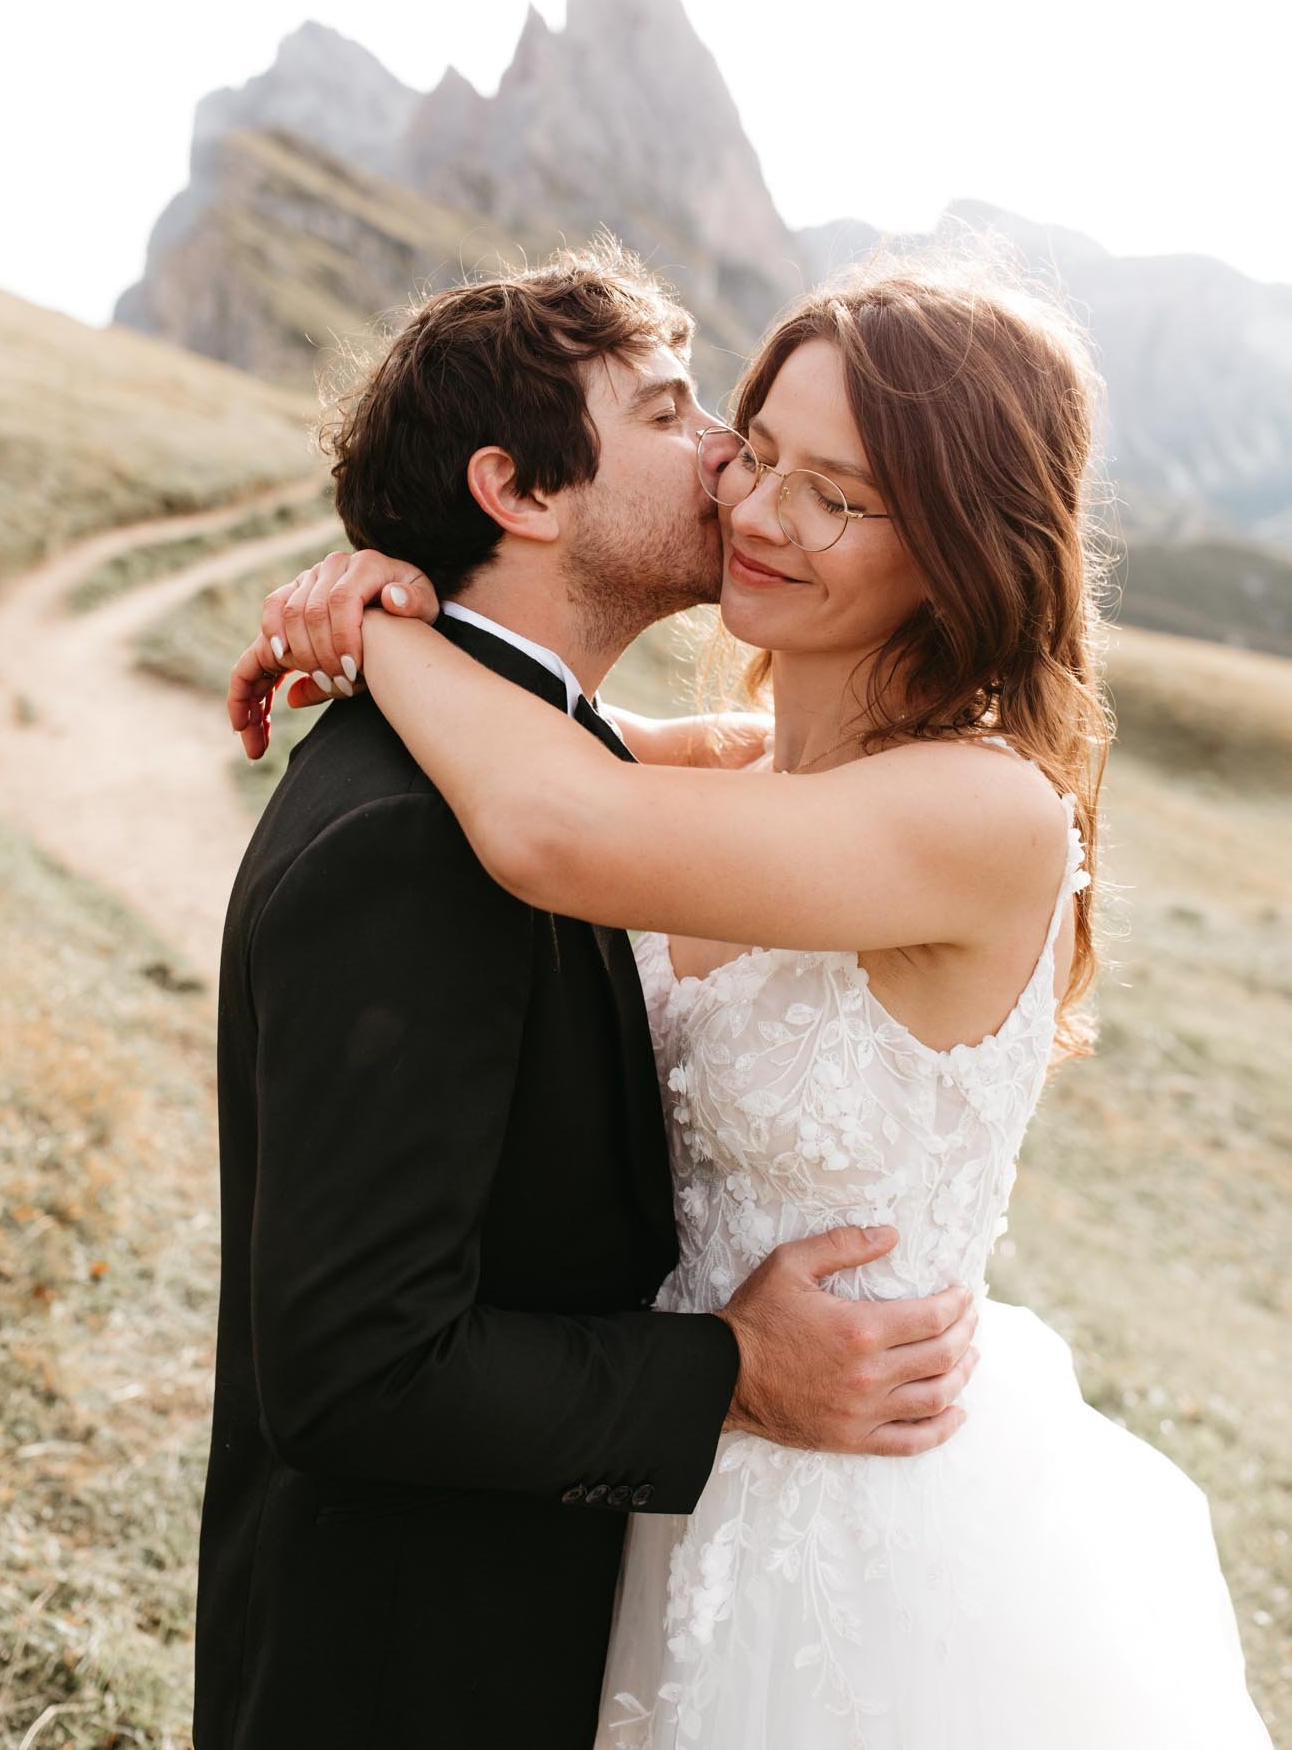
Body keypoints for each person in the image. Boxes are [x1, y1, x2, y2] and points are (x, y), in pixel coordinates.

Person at [238, 257, 1273, 1746]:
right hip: (660, 1478)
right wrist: (385, 591)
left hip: (852, 1521)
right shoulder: (734, 764)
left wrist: (381, 627)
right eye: (758, 450)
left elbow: (551, 819)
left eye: (835, 497)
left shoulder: (983, 815)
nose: (759, 512)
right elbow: (551, 727)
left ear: (966, 544)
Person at [199, 243, 981, 1750]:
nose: (728, 461)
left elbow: (668, 775)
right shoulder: (411, 844)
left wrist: (381, 622)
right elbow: (358, 1369)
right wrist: (735, 1371)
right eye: (672, 414)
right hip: (410, 1672)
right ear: (518, 491)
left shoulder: (550, 763)